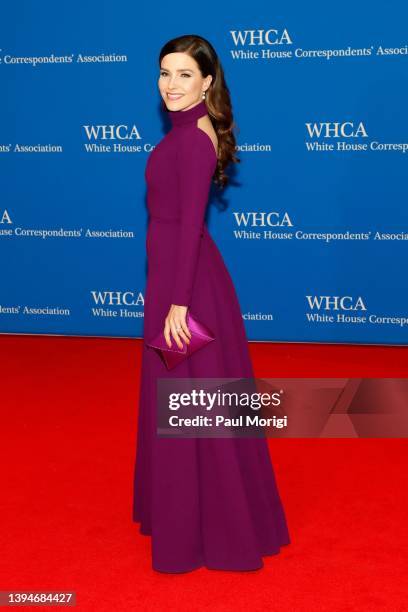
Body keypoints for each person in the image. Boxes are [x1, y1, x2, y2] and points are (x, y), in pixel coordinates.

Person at [132, 34, 291, 573]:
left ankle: (209, 530)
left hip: (188, 290)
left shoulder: (195, 141)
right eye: (164, 73)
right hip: (175, 284)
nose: (171, 85)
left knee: (193, 407)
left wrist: (178, 304)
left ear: (206, 81)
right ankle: (190, 514)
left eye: (183, 75)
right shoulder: (182, 133)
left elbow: (191, 228)